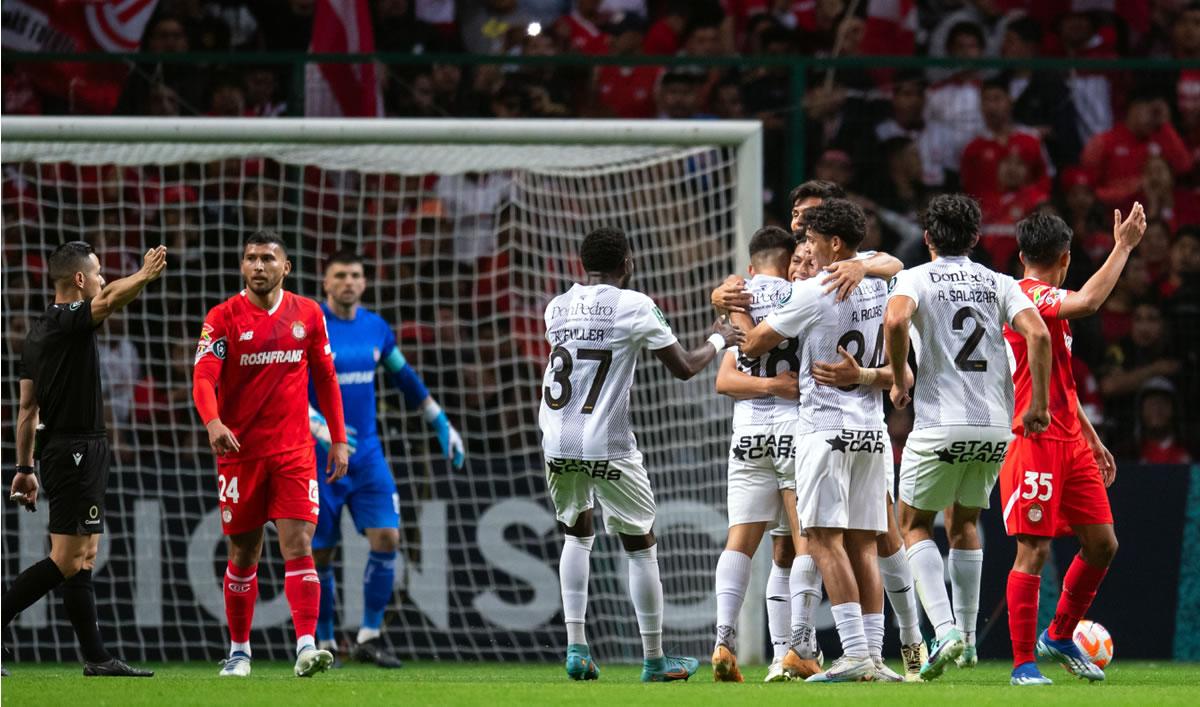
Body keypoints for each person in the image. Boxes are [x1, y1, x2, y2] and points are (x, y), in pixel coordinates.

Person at [711, 179, 922, 682]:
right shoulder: (879, 286)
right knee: (865, 544)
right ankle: (874, 656)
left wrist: (731, 307)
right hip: (872, 432)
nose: (804, 240)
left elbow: (757, 344)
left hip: (823, 430)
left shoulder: (813, 289)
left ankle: (850, 653)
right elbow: (894, 273)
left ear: (833, 244)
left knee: (822, 541)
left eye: (813, 236)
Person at [542, 226, 742, 683]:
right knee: (640, 543)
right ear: (627, 264)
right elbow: (685, 369)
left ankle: (576, 649)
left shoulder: (557, 307)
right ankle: (653, 658)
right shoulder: (635, 305)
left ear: (581, 265)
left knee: (577, 533)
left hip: (557, 438)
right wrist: (719, 338)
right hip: (608, 441)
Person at [884, 194, 1052, 681]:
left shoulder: (914, 277)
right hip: (995, 425)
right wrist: (1036, 404)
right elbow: (1038, 335)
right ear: (977, 238)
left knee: (911, 524)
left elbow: (895, 319)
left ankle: (946, 629)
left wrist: (899, 379)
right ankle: (972, 641)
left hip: (939, 421)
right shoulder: (999, 282)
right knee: (965, 522)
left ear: (928, 238)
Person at [192, 230, 350, 678]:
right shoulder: (222, 317)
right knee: (244, 552)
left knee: (300, 544)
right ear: (243, 267)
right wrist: (213, 422)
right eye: (250, 259)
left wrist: (337, 438)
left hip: (295, 452)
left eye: (267, 258)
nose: (258, 266)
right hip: (241, 454)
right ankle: (239, 652)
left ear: (287, 268)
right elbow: (203, 377)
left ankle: (305, 647)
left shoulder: (308, 314)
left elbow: (326, 377)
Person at [4, 242, 166, 678]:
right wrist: (145, 275)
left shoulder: (37, 334)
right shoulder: (65, 321)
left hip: (71, 449)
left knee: (85, 556)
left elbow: (26, 410)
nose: (100, 279)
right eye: (96, 273)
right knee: (67, 558)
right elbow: (112, 298)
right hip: (74, 449)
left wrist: (25, 469)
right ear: (79, 280)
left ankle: (97, 658)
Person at [1002, 206, 1146, 686]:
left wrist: (1091, 434)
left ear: (1023, 253)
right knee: (1034, 549)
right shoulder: (1025, 297)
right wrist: (1122, 246)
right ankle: (1023, 664)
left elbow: (1062, 382)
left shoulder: (1047, 307)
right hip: (1034, 437)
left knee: (1102, 544)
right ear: (1065, 259)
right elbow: (1087, 302)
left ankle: (1060, 634)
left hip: (1071, 438)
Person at [306, 249, 465, 667]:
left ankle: (370, 636)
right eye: (339, 275)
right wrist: (321, 427)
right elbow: (286, 388)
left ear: (364, 282)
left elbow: (403, 377)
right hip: (319, 457)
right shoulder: (308, 327)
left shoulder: (375, 328)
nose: (348, 282)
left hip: (368, 456)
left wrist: (438, 418)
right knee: (321, 552)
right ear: (326, 283)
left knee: (388, 539)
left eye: (356, 274)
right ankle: (324, 642)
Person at [708, 226, 803, 684]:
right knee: (803, 542)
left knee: (740, 542)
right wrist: (778, 385)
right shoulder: (803, 293)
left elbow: (724, 381)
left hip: (747, 432)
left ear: (750, 267)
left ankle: (724, 639)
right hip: (793, 427)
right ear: (790, 262)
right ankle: (795, 650)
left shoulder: (732, 303)